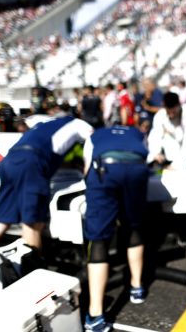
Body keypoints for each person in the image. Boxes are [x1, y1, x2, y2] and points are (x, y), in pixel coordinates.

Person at [0, 113, 93, 296]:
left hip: (10, 161)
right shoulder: (79, 124)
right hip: (32, 164)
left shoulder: (44, 123)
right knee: (32, 226)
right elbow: (92, 145)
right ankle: (33, 283)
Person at [82, 125, 149, 332]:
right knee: (134, 225)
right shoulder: (137, 132)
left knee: (99, 238)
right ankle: (137, 288)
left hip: (106, 169)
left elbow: (87, 169)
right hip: (137, 169)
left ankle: (96, 315)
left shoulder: (95, 135)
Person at [147, 92, 186, 171]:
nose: (171, 115)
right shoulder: (161, 115)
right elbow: (155, 136)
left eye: (173, 112)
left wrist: (176, 165)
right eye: (168, 112)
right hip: (171, 154)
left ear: (179, 105)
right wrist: (156, 153)